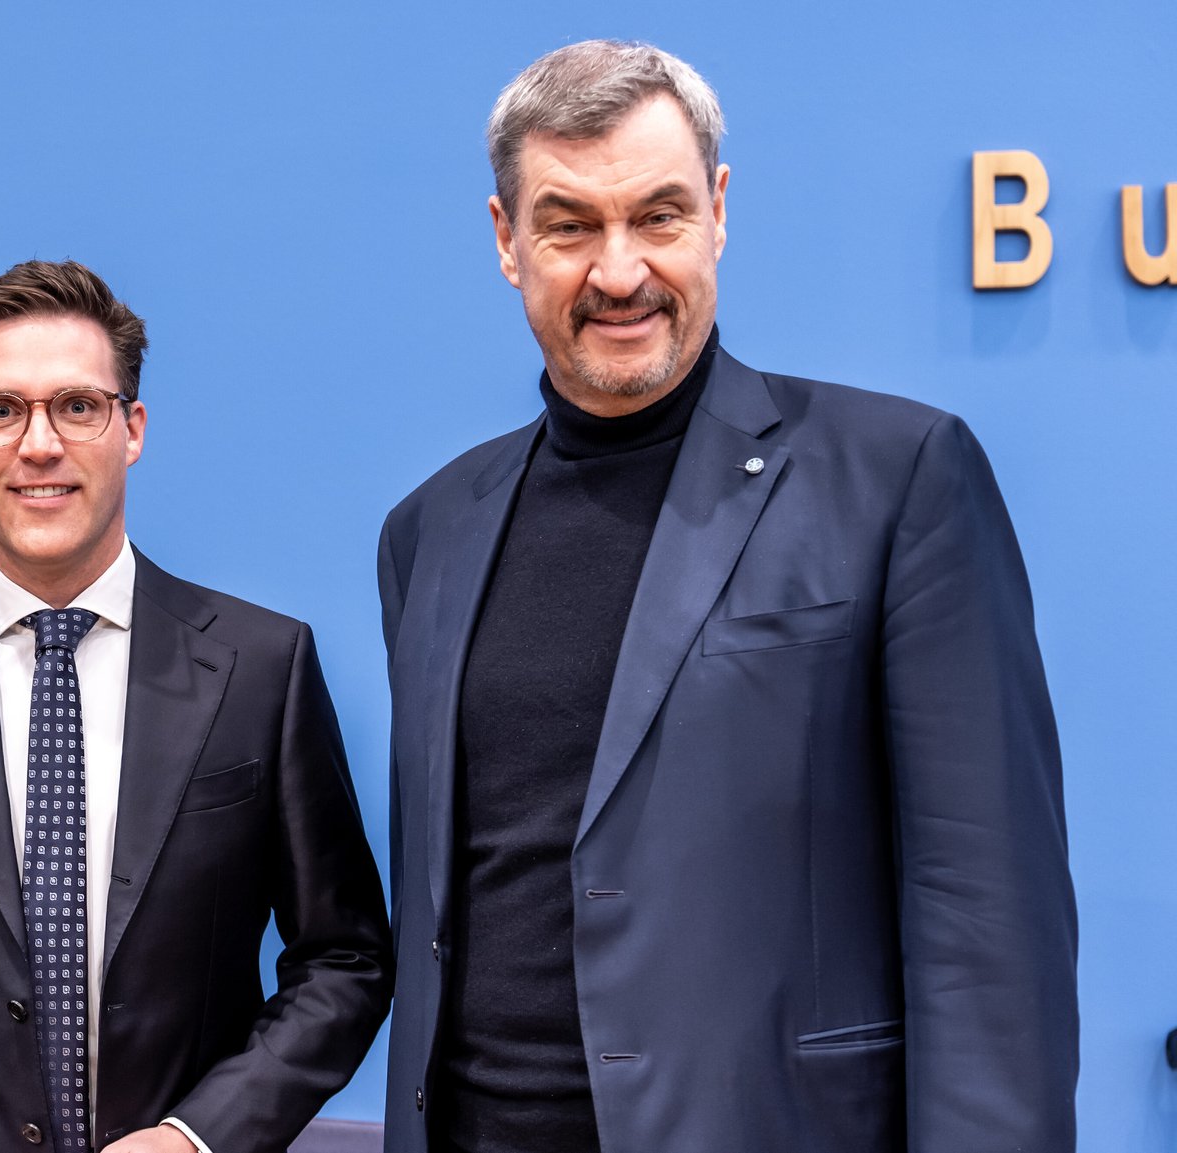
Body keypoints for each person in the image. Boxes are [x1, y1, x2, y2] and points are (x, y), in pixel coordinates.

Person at [379, 40, 1076, 1153]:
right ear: (506, 241)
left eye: (656, 216)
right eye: (567, 225)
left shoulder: (897, 478)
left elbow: (985, 928)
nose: (617, 272)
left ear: (715, 211)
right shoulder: (427, 531)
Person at [0, 260, 391, 1153]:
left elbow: (344, 958)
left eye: (77, 405)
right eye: (2, 411)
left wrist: (196, 1136)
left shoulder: (262, 665)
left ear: (131, 427)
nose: (39, 444)